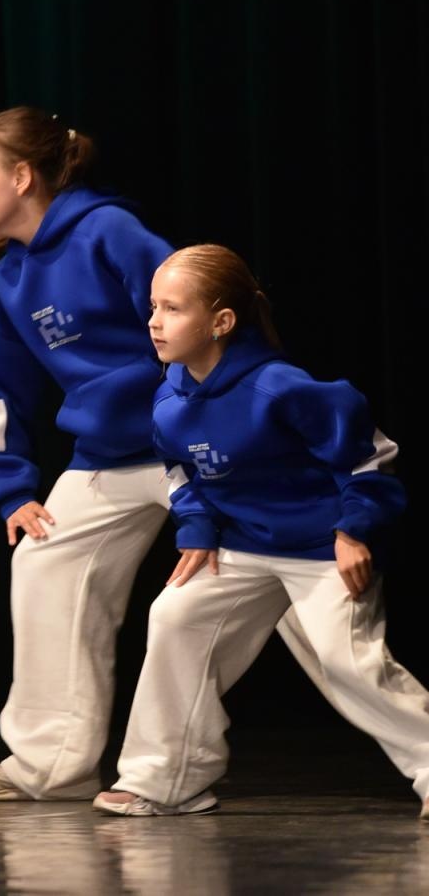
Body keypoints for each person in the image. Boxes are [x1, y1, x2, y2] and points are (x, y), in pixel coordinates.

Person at [0, 107, 316, 802]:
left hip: (197, 443)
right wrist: (11, 490)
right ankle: (50, 765)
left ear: (22, 177)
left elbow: (203, 315)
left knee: (303, 602)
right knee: (43, 559)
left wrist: (217, 423)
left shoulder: (108, 232)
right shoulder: (9, 283)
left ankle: (403, 742)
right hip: (108, 456)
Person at [94, 244, 426, 818]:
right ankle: (167, 779)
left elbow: (370, 458)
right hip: (244, 546)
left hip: (321, 549)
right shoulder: (169, 395)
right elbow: (179, 472)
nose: (153, 322)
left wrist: (353, 530)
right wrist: (197, 527)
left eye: (172, 309)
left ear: (221, 321)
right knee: (174, 615)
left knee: (348, 662)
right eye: (153, 306)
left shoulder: (280, 388)